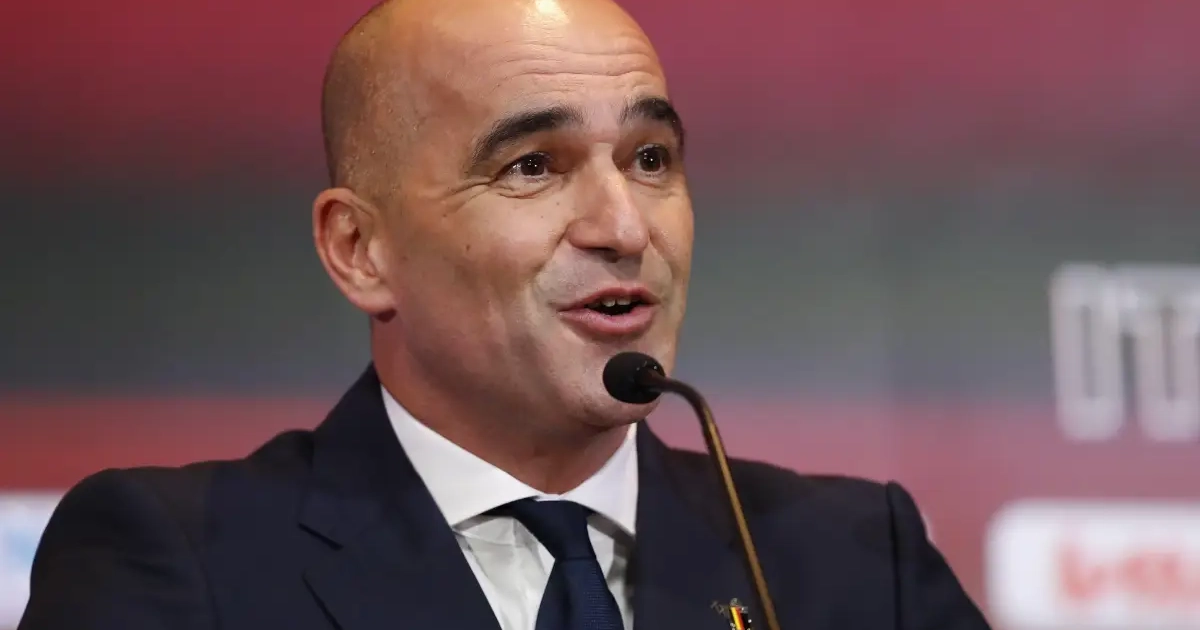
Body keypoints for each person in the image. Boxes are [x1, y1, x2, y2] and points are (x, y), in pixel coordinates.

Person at [19, 0, 992, 628]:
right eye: (533, 167)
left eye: (650, 159)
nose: (624, 227)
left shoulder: (854, 564)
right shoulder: (182, 562)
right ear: (360, 249)